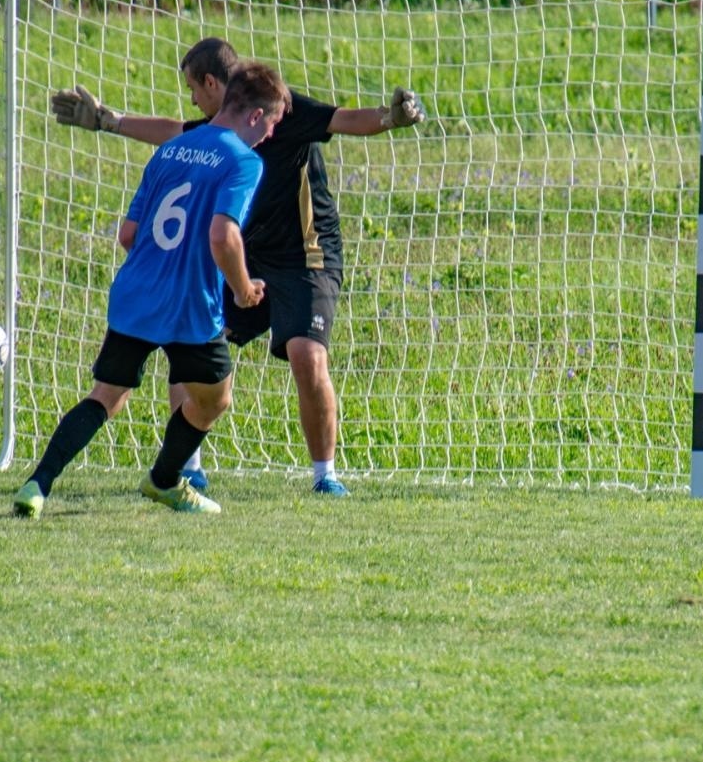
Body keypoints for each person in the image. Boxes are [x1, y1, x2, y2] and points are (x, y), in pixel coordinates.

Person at [50, 38, 424, 496]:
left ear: (213, 83)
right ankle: (185, 467)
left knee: (306, 355)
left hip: (305, 255)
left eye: (193, 88)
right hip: (243, 255)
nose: (192, 100)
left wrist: (391, 118)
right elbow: (176, 132)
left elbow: (344, 119)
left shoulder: (279, 107)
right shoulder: (223, 122)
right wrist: (109, 121)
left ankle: (324, 475)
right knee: (191, 338)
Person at [13, 61, 290, 518]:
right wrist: (242, 289)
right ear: (256, 115)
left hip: (136, 294)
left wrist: (158, 265)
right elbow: (223, 237)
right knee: (215, 399)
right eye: (273, 123)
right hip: (190, 306)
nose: (271, 135)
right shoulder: (243, 161)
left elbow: (128, 234)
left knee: (106, 396)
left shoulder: (171, 149)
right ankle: (164, 480)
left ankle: (36, 485)